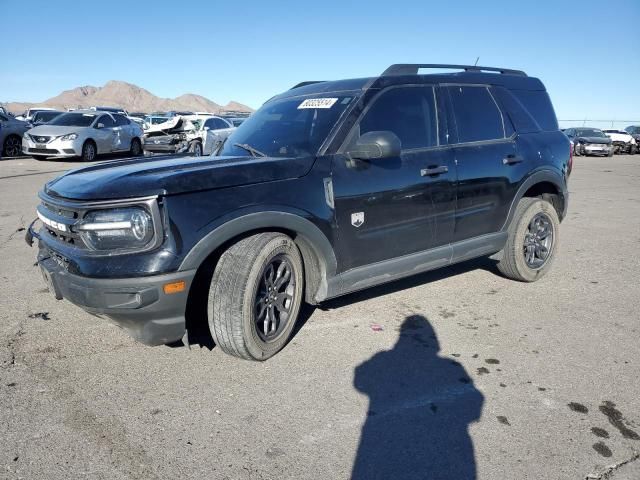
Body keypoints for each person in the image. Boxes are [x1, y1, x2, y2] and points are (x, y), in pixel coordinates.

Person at [352, 315, 484, 480]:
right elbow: (474, 408)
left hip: (383, 440)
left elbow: (359, 379)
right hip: (446, 444)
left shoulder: (382, 358)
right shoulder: (450, 366)